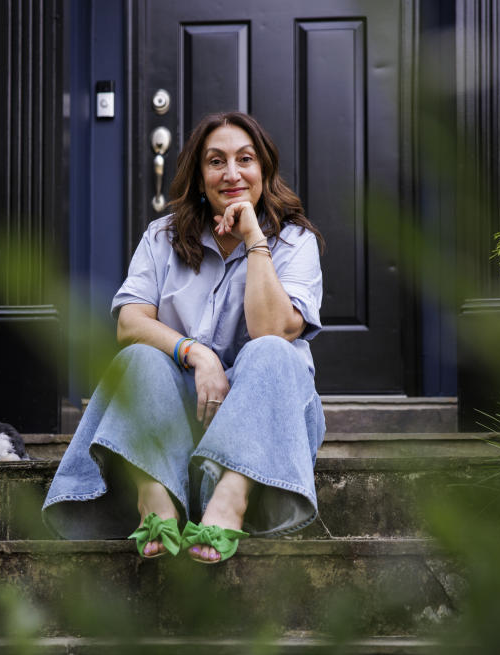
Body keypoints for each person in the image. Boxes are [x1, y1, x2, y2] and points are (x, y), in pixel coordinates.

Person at [42, 111, 325, 564]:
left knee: (272, 350)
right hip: (176, 417)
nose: (231, 173)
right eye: (216, 162)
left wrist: (254, 238)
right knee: (138, 357)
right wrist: (197, 355)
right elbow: (129, 322)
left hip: (269, 425)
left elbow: (270, 328)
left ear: (264, 170)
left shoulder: (295, 243)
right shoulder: (162, 237)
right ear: (198, 177)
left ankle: (230, 499)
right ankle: (156, 498)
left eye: (245, 159)